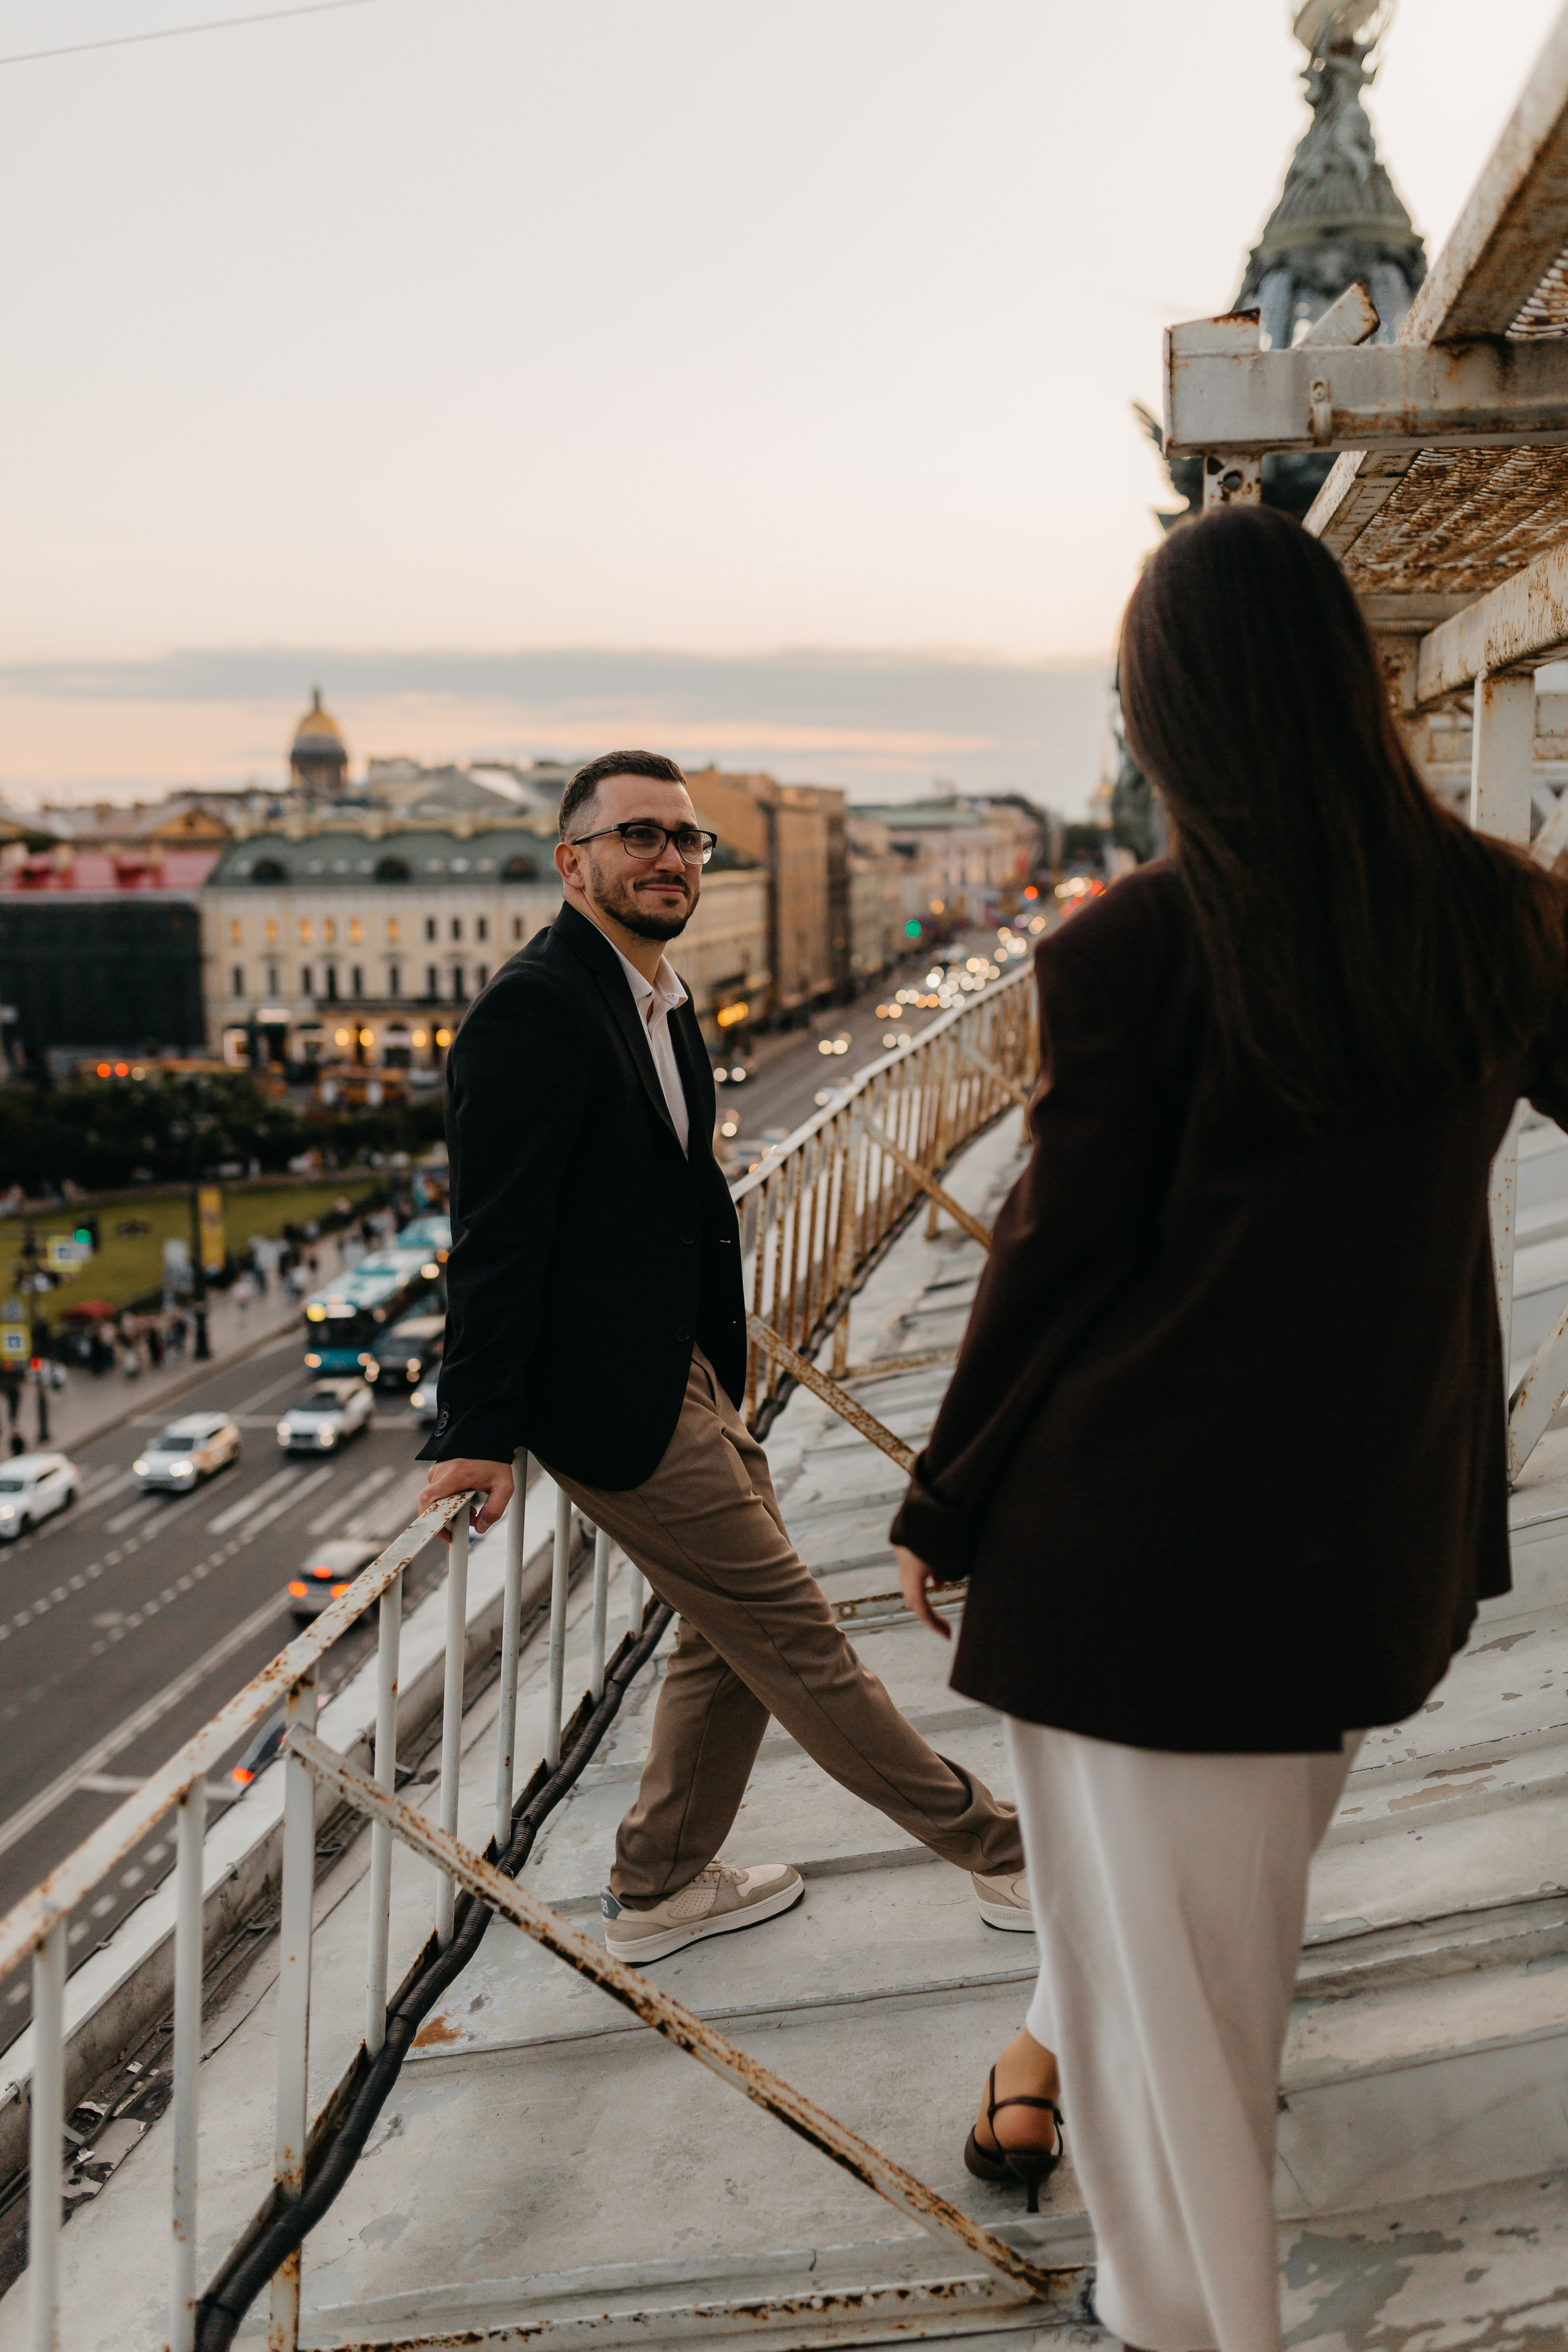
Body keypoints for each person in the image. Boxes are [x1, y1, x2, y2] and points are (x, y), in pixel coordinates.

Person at [891, 503, 1568, 2352]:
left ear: (1167, 715)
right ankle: (1164, 2298)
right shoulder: (1509, 919)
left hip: (1131, 1565)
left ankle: (1190, 2326)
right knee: (1199, 1974)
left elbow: (1057, 1263)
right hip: (1356, 1561)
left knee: (1153, 2019)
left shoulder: (1137, 951)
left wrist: (944, 1501)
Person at [417, 748, 1031, 1962]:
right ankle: (1008, 1857)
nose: (667, 858)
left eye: (685, 839)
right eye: (637, 836)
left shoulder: (657, 995)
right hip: (607, 1400)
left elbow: (680, 1191)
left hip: (678, 1372)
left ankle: (655, 1889)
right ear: (571, 861)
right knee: (795, 1637)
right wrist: (475, 1430)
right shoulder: (534, 1008)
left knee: (729, 1636)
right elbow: (493, 1234)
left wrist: (714, 1369)